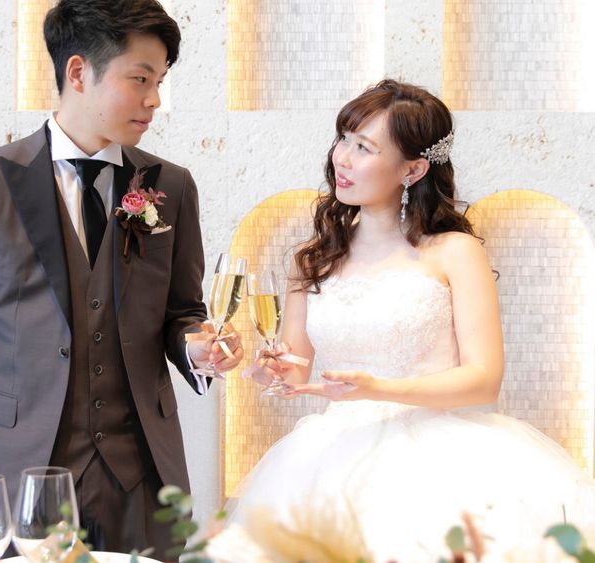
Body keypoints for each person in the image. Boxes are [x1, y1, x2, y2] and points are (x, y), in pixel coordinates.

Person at [210, 79, 595, 562]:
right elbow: (296, 366)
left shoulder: (455, 252)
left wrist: (379, 389)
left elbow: (484, 380)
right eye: (343, 139)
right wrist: (272, 371)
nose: (342, 158)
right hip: (330, 456)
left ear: (413, 168)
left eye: (364, 148)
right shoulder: (313, 257)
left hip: (438, 461)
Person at [0, 0, 242, 558]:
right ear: (78, 72)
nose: (154, 99)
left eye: (160, 82)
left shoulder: (171, 186)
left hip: (141, 477)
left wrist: (197, 347)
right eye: (140, 79)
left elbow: (182, 312)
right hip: (16, 479)